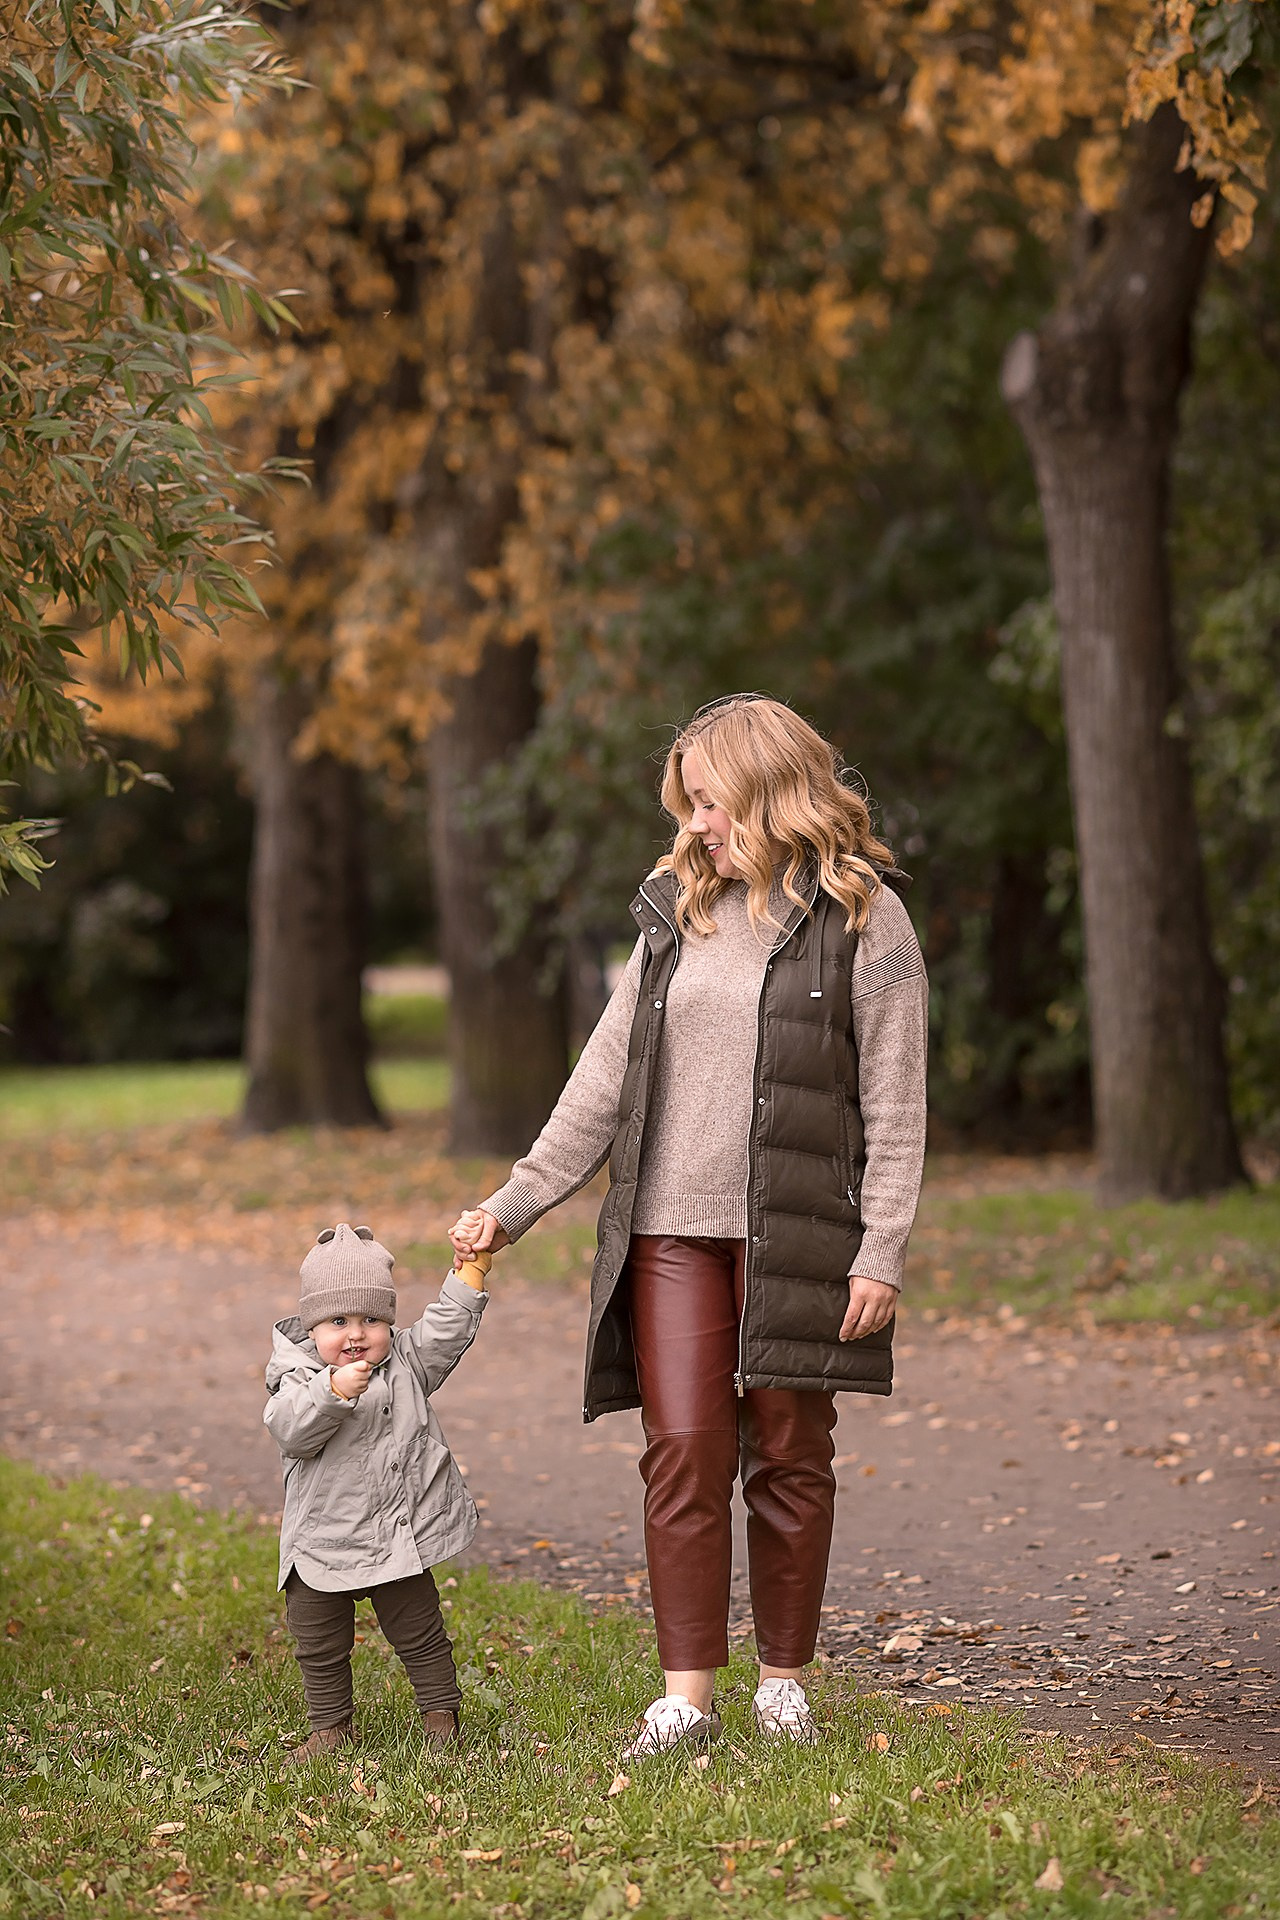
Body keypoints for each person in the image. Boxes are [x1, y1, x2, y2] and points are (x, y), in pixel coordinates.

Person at [450, 694, 928, 1754]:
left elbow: (895, 1102)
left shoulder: (863, 917)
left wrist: (879, 1249)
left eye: (709, 801)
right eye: (689, 805)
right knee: (683, 1452)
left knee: (793, 1452)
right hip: (668, 1231)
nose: (696, 824)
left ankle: (782, 1684)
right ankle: (687, 1700)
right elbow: (602, 1075)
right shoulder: (674, 910)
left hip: (797, 1230)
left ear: (766, 789)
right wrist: (514, 1202)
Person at [264, 1220, 492, 1762]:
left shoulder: (406, 1364)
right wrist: (330, 1391)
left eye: (372, 1319)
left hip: (397, 1534)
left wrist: (472, 1271)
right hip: (322, 1540)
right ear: (311, 1326)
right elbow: (290, 1430)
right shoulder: (297, 1377)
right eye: (338, 1321)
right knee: (318, 1642)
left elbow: (447, 1327)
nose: (356, 1333)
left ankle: (441, 1716)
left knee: (419, 1631)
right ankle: (330, 1727)